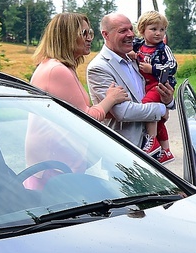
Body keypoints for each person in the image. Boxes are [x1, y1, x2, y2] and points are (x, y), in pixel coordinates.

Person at [24, 13, 129, 188]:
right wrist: (111, 98)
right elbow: (85, 117)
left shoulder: (54, 66)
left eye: (91, 33)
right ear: (66, 36)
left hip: (53, 166)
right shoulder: (57, 70)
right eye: (84, 33)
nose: (89, 39)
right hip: (55, 171)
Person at [87, 13, 175, 150]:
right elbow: (124, 112)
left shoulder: (135, 59)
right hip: (122, 150)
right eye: (122, 31)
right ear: (105, 35)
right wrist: (161, 109)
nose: (130, 35)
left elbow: (149, 93)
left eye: (130, 29)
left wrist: (168, 100)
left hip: (149, 150)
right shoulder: (99, 67)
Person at [132, 10, 178, 163]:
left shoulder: (163, 49)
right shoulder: (137, 45)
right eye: (153, 29)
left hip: (159, 85)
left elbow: (172, 66)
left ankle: (151, 142)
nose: (159, 33)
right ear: (142, 30)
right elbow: (130, 54)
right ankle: (165, 151)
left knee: (147, 108)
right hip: (146, 85)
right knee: (158, 121)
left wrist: (153, 69)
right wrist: (132, 55)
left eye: (162, 30)